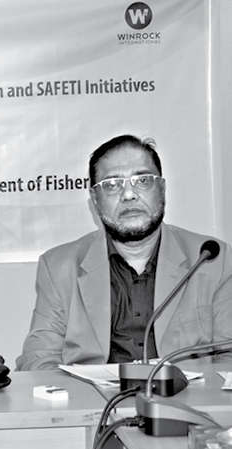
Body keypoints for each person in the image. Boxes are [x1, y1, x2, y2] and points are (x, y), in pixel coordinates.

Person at [17, 134, 232, 371]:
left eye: (143, 181)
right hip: (89, 394)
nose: (129, 195)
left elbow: (229, 358)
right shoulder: (59, 266)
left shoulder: (213, 259)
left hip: (186, 393)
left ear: (162, 189)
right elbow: (38, 359)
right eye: (112, 185)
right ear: (95, 200)